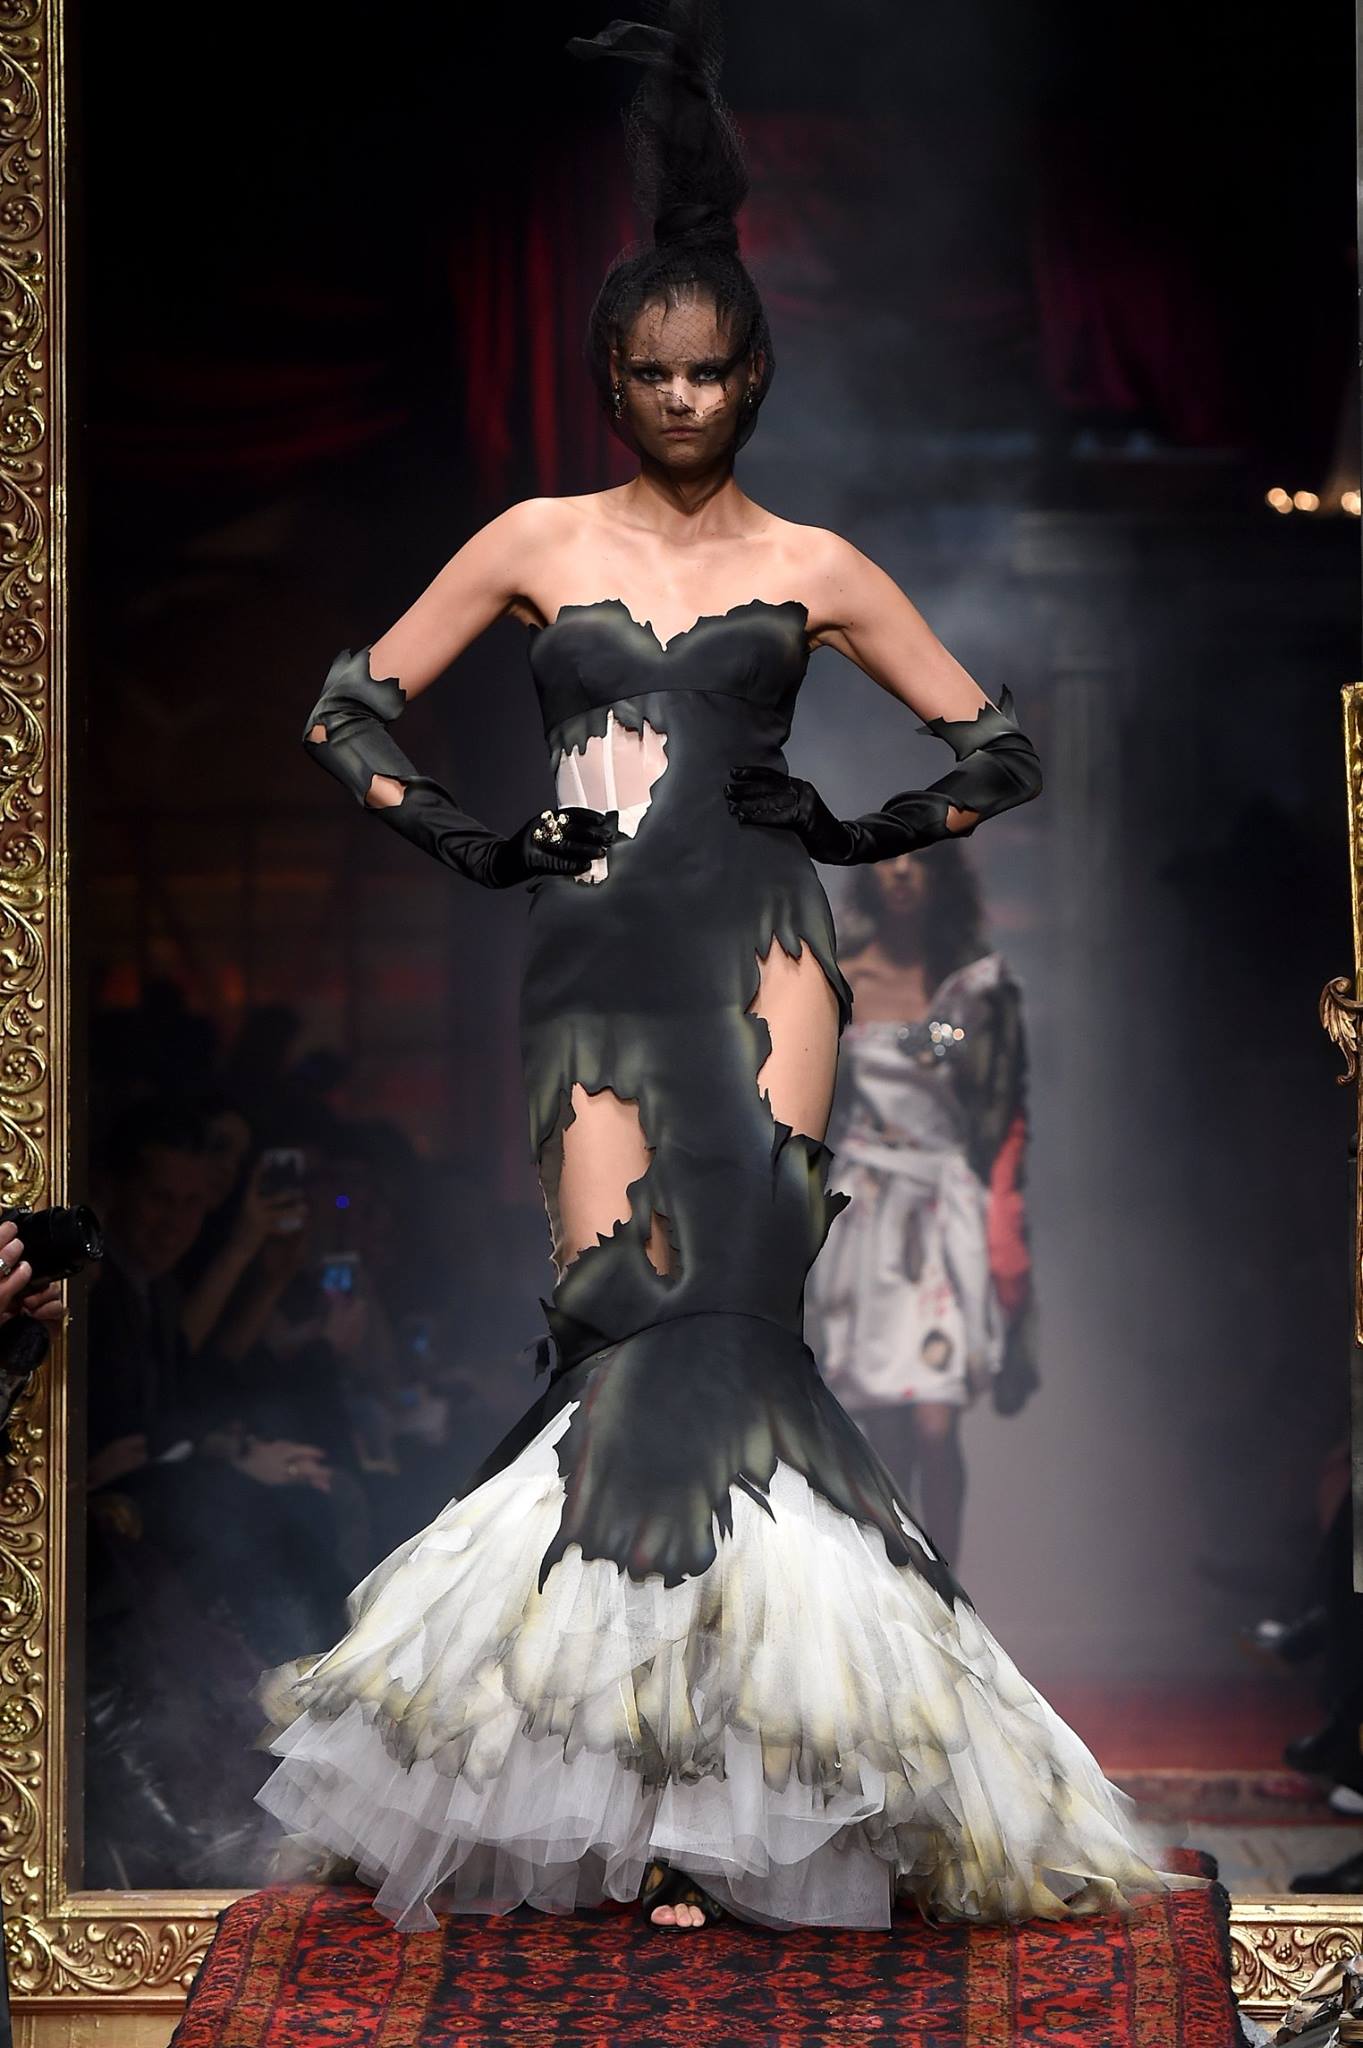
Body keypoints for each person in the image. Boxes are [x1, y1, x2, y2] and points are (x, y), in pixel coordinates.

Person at [257, 3, 1187, 1936]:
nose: (683, 397)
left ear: (753, 374)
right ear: (611, 377)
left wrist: (852, 829)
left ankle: (742, 1802)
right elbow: (347, 705)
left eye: (710, 370)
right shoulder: (529, 537)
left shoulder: (819, 566)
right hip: (591, 963)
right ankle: (620, 1781)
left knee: (742, 1343)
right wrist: (475, 841)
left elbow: (1001, 743)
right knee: (620, 1337)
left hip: (767, 958)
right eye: (653, 372)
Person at [808, 847, 1038, 1566]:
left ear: (943, 878)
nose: (903, 872)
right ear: (870, 875)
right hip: (865, 1211)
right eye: (889, 860)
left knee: (937, 1423)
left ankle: (946, 1591)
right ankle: (896, 1584)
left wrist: (1006, 1227)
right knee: (882, 1428)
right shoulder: (840, 978)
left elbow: (1006, 1111)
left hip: (944, 1210)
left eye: (919, 861)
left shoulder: (977, 985)